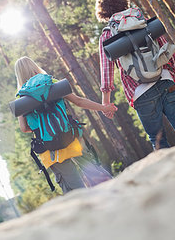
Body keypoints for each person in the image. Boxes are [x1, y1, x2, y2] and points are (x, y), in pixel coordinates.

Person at [95, 0, 175, 150]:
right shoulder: (143, 21)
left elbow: (106, 71)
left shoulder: (107, 35)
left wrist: (105, 102)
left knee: (158, 140)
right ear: (123, 2)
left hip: (140, 92)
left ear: (103, 11)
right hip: (166, 81)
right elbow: (166, 50)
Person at [15, 56, 115, 194]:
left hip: (49, 149)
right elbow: (79, 101)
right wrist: (104, 108)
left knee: (75, 190)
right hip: (70, 137)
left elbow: (24, 128)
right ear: (34, 66)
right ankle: (115, 197)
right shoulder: (52, 83)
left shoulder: (20, 99)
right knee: (95, 174)